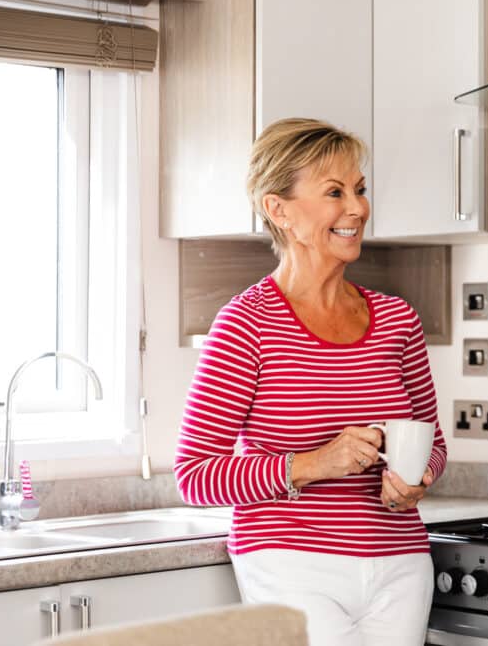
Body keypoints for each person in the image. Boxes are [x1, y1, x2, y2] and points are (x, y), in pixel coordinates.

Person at [174, 118, 448, 646]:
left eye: (360, 189)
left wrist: (417, 481)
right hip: (292, 565)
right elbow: (194, 475)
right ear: (279, 211)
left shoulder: (398, 320)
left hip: (399, 562)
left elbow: (432, 442)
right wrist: (315, 464)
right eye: (335, 192)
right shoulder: (246, 323)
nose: (359, 208)